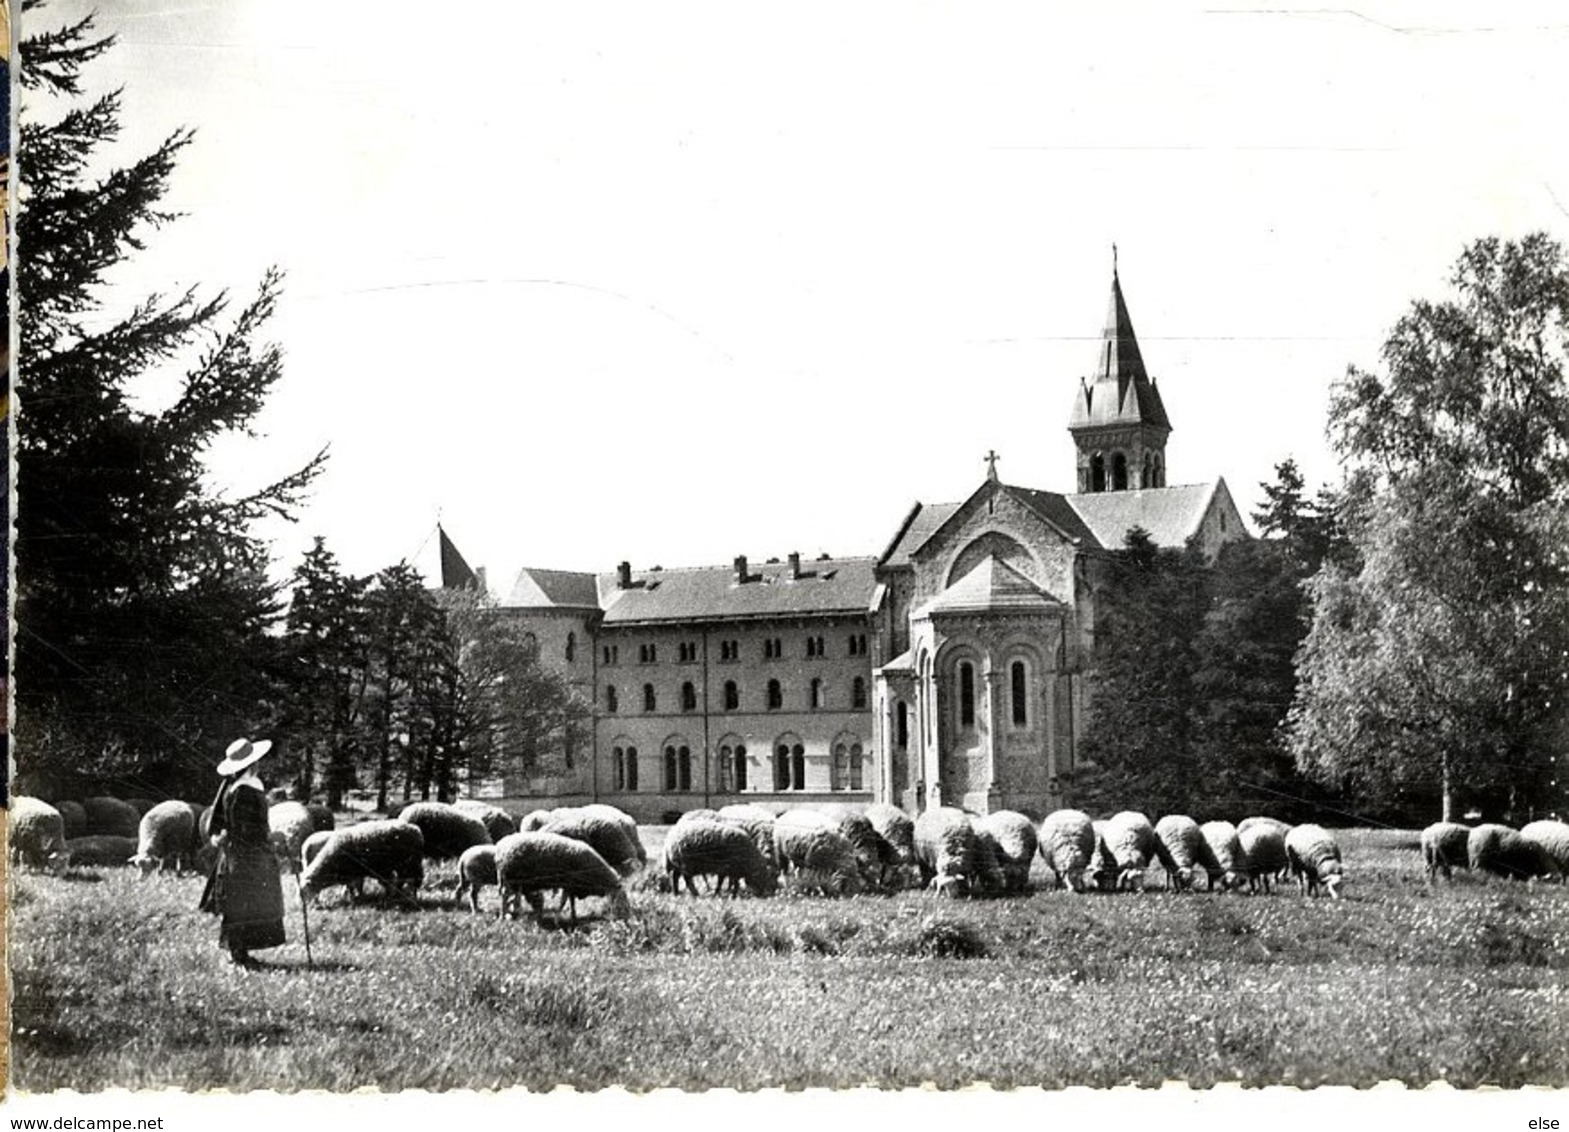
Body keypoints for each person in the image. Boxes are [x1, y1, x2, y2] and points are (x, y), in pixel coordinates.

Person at [199, 737, 286, 967]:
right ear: (252, 764)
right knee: (243, 901)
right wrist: (270, 837)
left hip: (243, 853)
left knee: (246, 901)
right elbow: (245, 828)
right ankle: (237, 954)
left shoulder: (238, 786)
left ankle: (241, 952)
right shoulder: (243, 790)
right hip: (246, 854)